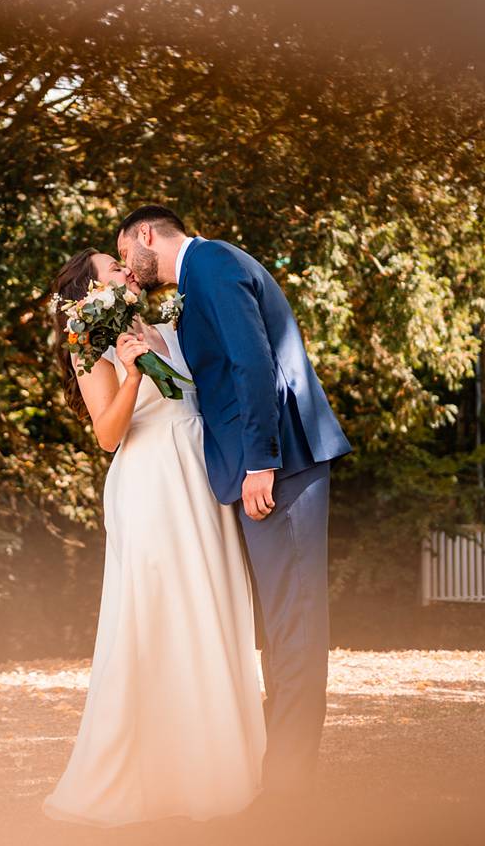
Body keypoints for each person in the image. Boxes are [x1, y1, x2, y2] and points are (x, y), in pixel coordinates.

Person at [115, 206, 351, 796]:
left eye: (124, 255)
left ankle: (287, 797)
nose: (127, 268)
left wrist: (260, 461)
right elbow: (215, 375)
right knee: (279, 629)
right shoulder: (199, 280)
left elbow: (253, 365)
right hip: (267, 469)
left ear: (147, 235)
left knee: (293, 629)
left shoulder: (213, 262)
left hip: (282, 466)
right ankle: (280, 783)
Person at [41, 249, 265, 827]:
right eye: (113, 270)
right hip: (150, 486)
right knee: (159, 618)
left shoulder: (170, 325)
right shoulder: (89, 344)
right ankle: (149, 778)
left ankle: (220, 768)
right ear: (92, 291)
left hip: (199, 479)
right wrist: (133, 370)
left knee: (212, 609)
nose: (126, 272)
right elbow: (109, 436)